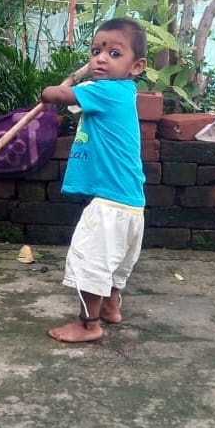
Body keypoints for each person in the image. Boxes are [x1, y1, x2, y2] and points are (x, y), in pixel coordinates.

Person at [41, 18, 148, 343]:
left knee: (90, 262)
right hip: (131, 204)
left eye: (114, 53)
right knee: (112, 262)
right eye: (95, 51)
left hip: (110, 203)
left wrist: (52, 89)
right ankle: (111, 307)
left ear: (136, 66)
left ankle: (88, 325)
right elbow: (77, 100)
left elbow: (56, 95)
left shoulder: (105, 91)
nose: (101, 58)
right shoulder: (123, 91)